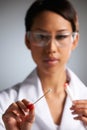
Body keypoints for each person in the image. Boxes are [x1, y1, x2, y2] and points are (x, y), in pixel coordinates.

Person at [0, 0, 87, 129]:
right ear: (28, 40)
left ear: (74, 40)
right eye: (41, 36)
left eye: (61, 36)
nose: (51, 48)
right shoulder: (4, 104)